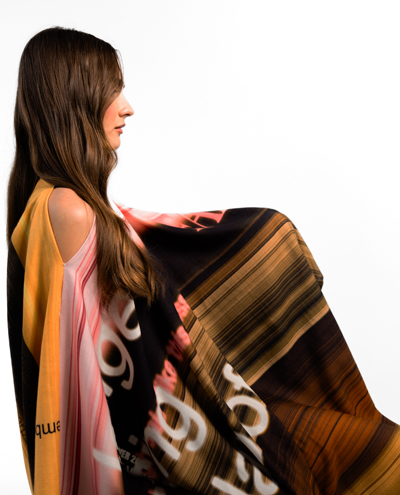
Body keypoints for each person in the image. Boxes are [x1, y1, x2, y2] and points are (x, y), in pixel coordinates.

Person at [6, 26, 400, 495]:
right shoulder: (67, 209)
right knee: (343, 457)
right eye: (112, 91)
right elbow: (82, 377)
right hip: (146, 445)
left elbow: (150, 251)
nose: (127, 107)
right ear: (75, 100)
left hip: (149, 430)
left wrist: (266, 235)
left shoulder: (49, 204)